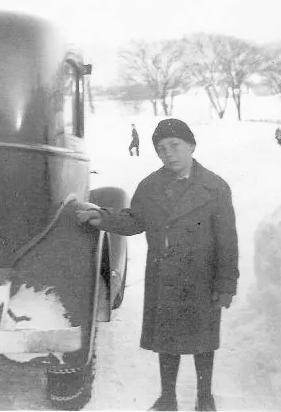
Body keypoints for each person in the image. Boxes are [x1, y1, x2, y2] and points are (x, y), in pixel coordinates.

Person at [76, 118, 239, 411]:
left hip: (202, 277)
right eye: (161, 148)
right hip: (165, 276)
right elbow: (136, 219)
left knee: (204, 341)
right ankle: (168, 398)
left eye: (174, 145)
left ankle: (205, 397)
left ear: (191, 145)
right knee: (167, 341)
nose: (168, 153)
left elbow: (228, 241)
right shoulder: (150, 186)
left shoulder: (215, 187)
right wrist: (103, 218)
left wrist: (226, 283)